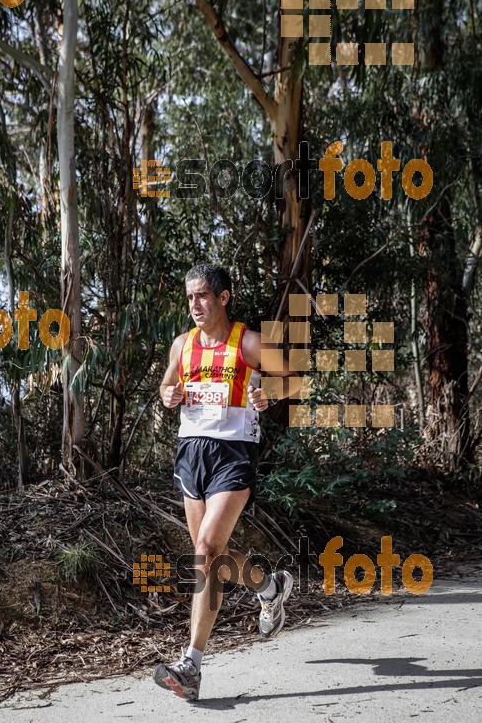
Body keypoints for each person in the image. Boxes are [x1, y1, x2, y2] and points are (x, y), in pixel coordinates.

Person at [153, 264, 296, 702]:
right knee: (213, 559)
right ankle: (270, 588)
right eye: (190, 297)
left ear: (223, 297)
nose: (194, 305)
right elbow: (165, 385)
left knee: (205, 551)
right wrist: (168, 394)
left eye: (202, 296)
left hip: (234, 453)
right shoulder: (183, 345)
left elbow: (293, 378)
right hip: (190, 452)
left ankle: (191, 666)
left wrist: (268, 393)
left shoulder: (248, 342)